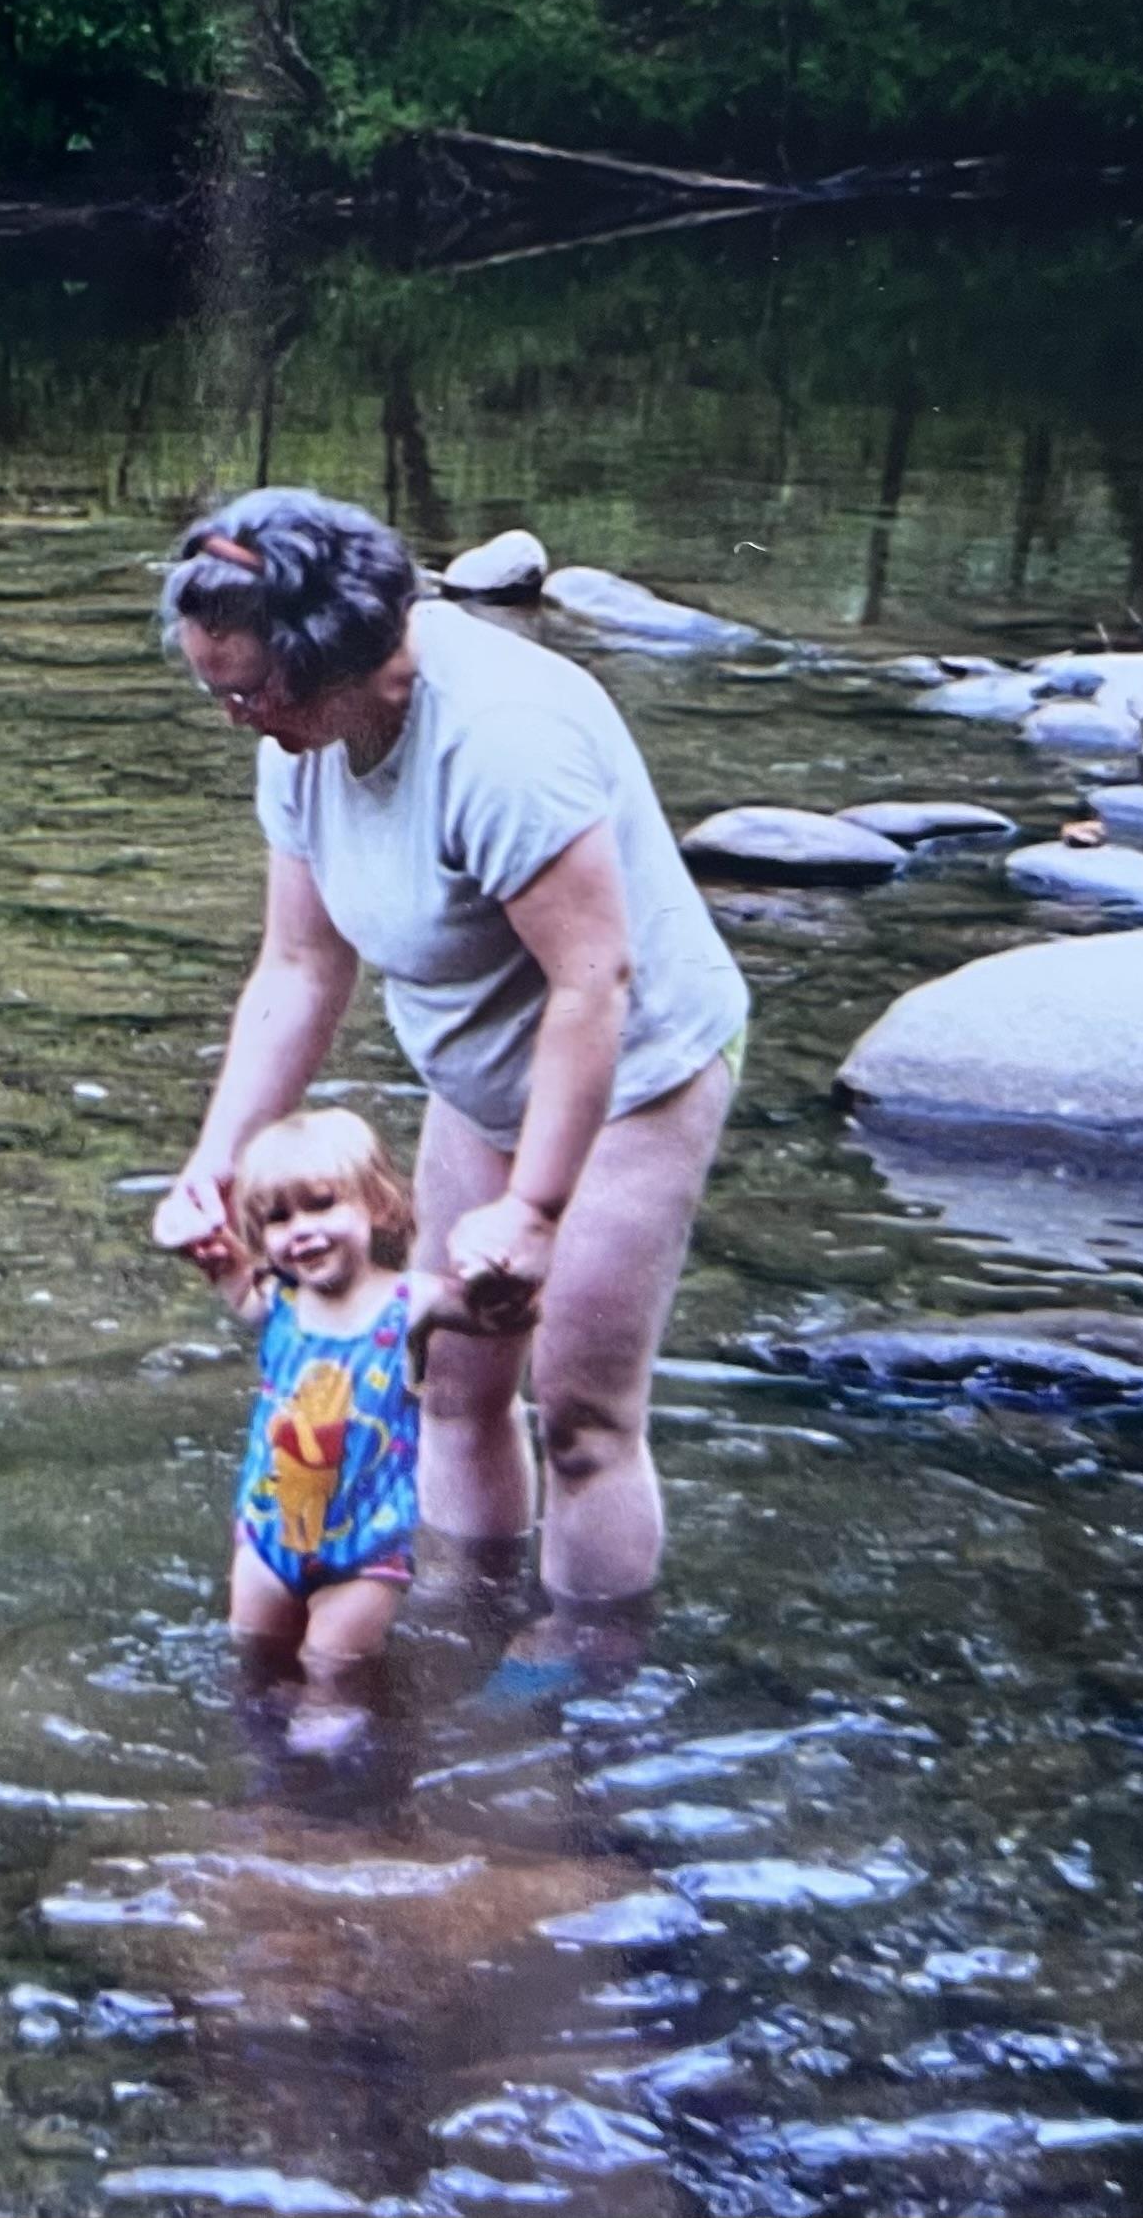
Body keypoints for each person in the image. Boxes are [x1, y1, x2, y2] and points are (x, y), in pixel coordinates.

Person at [150, 489, 748, 1615]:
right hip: (479, 1073)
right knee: (450, 1390)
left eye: (243, 688)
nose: (229, 713)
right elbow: (298, 964)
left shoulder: (503, 741)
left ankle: (586, 1705)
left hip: (633, 1072)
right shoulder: (301, 732)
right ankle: (468, 1627)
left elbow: (591, 983)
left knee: (581, 1419)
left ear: (340, 662)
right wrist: (216, 1164)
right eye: (210, 685)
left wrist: (534, 1207)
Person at [200, 1105, 463, 1720]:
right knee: (255, 1663)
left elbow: (486, 1311)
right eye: (278, 1219)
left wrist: (502, 1281)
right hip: (268, 1537)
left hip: (364, 1553)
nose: (302, 1231)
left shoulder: (411, 1302)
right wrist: (217, 1258)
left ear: (376, 1203)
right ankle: (266, 1773)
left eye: (322, 1205)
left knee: (331, 1678)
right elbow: (239, 1287)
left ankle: (331, 1784)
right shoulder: (276, 1303)